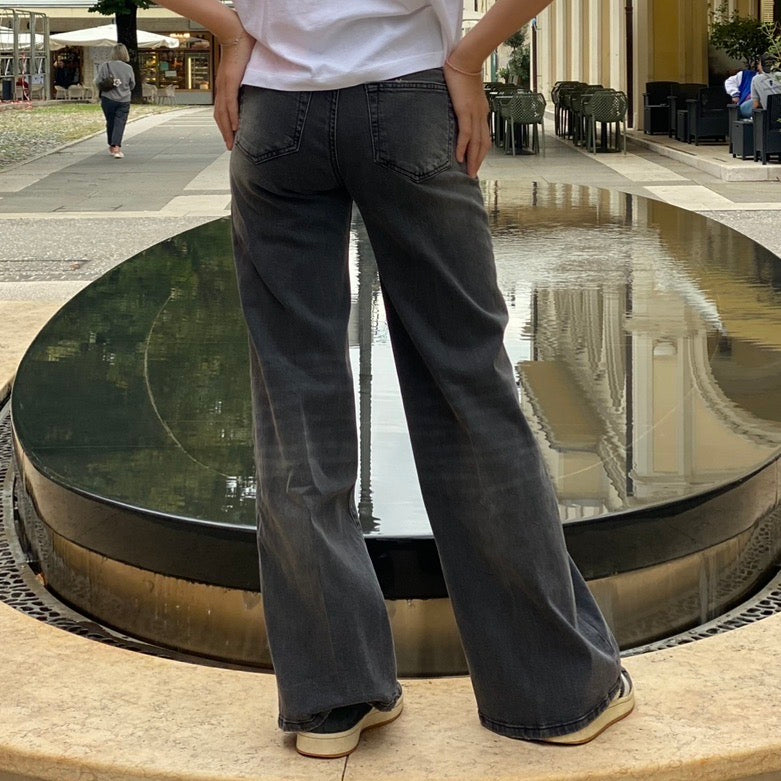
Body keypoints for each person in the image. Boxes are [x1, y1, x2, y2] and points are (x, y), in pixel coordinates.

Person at [154, 0, 635, 759]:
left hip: (274, 110)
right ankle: (554, 694)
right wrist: (469, 58)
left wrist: (231, 30)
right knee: (468, 388)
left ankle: (331, 701)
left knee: (293, 395)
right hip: (410, 98)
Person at [95, 44, 135, 159]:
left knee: (110, 121)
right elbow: (132, 84)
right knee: (120, 122)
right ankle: (117, 147)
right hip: (124, 99)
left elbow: (98, 82)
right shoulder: (128, 68)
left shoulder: (105, 66)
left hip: (108, 98)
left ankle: (112, 145)